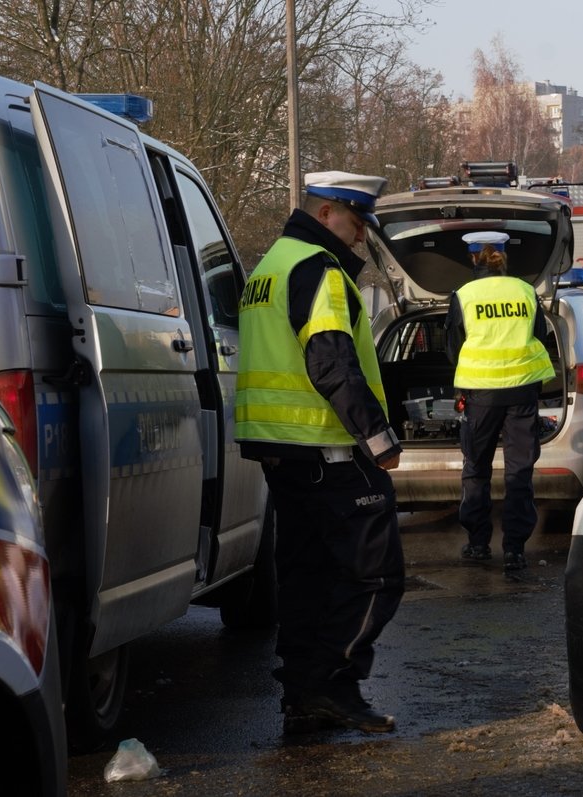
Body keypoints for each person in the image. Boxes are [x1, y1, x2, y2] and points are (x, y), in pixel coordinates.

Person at [235, 170, 404, 735]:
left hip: (283, 453)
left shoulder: (269, 267)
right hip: (329, 448)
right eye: (357, 223)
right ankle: (333, 686)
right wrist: (377, 438)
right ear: (328, 212)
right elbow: (330, 362)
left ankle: (305, 691)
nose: (361, 238)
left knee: (304, 576)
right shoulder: (319, 270)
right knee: (374, 574)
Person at [445, 231, 554, 573]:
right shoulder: (525, 292)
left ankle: (478, 544)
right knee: (519, 470)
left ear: (473, 258)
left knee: (477, 467)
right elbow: (541, 336)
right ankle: (515, 550)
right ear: (504, 257)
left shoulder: (464, 296)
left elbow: (452, 346)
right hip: (522, 391)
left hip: (481, 394)